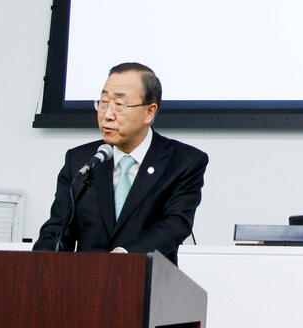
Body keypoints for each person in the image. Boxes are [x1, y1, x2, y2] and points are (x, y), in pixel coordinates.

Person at [34, 62, 207, 264]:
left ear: (149, 112)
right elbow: (58, 229)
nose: (107, 115)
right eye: (103, 103)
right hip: (85, 279)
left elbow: (174, 225)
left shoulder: (183, 162)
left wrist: (124, 257)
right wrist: (39, 266)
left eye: (119, 104)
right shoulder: (81, 161)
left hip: (146, 278)